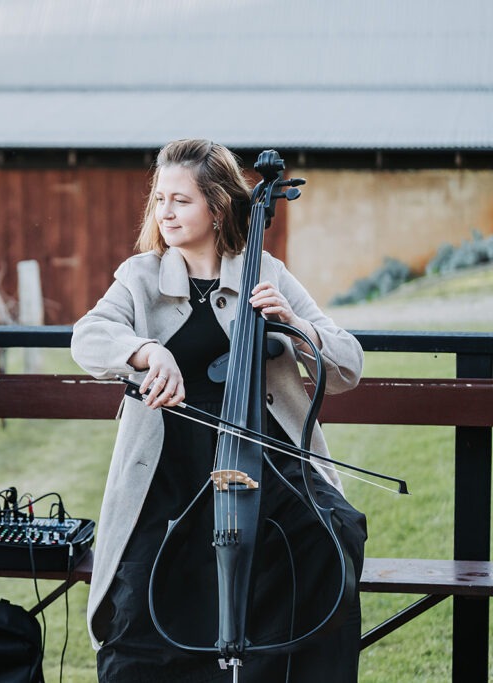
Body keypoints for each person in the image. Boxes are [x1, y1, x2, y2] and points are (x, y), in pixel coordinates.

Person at [71, 139, 368, 682]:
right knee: (141, 596)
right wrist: (147, 351)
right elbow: (88, 337)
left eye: (180, 200)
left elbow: (349, 365)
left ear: (218, 206)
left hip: (263, 460)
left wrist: (296, 327)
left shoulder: (265, 271)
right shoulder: (141, 277)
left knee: (327, 537)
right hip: (169, 471)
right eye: (160, 199)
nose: (165, 212)